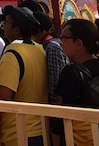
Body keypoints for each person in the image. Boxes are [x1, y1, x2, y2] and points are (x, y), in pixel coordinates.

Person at [0, 5, 47, 146]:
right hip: (41, 129)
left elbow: (4, 96)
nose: (3, 27)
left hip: (17, 132)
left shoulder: (11, 53)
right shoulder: (40, 49)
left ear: (16, 29)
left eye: (6, 23)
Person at [55, 18, 99, 145]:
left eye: (64, 37)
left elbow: (61, 114)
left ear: (79, 43)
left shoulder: (70, 72)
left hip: (77, 140)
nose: (60, 42)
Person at [32, 10, 68, 146]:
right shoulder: (46, 45)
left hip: (55, 111)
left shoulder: (51, 47)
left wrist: (54, 115)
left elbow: (55, 82)